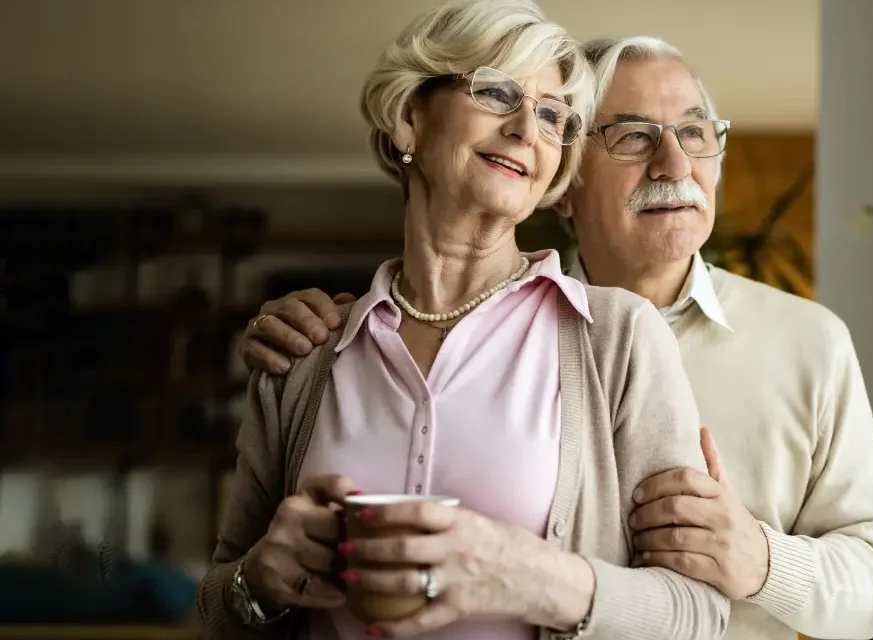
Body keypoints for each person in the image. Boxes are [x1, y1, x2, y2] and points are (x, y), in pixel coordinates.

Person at [241, 34, 873, 640]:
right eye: (633, 137)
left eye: (696, 133)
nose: (675, 161)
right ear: (564, 184)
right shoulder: (416, 339)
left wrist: (760, 560)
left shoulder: (809, 341)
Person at [199, 4, 729, 639]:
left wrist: (530, 576)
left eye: (555, 116)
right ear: (407, 117)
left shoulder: (618, 338)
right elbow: (214, 610)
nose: (527, 128)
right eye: (497, 91)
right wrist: (255, 582)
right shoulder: (304, 353)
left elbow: (699, 613)